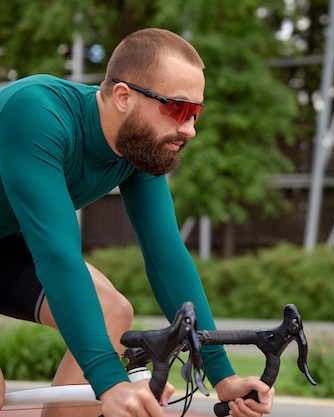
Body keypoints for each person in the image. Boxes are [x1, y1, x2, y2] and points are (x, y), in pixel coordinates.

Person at [0, 28, 274, 417]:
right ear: (124, 97)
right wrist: (110, 381)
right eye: (178, 108)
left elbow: (166, 256)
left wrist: (222, 375)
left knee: (112, 310)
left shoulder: (136, 151)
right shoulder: (37, 113)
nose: (189, 128)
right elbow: (58, 255)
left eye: (196, 112)